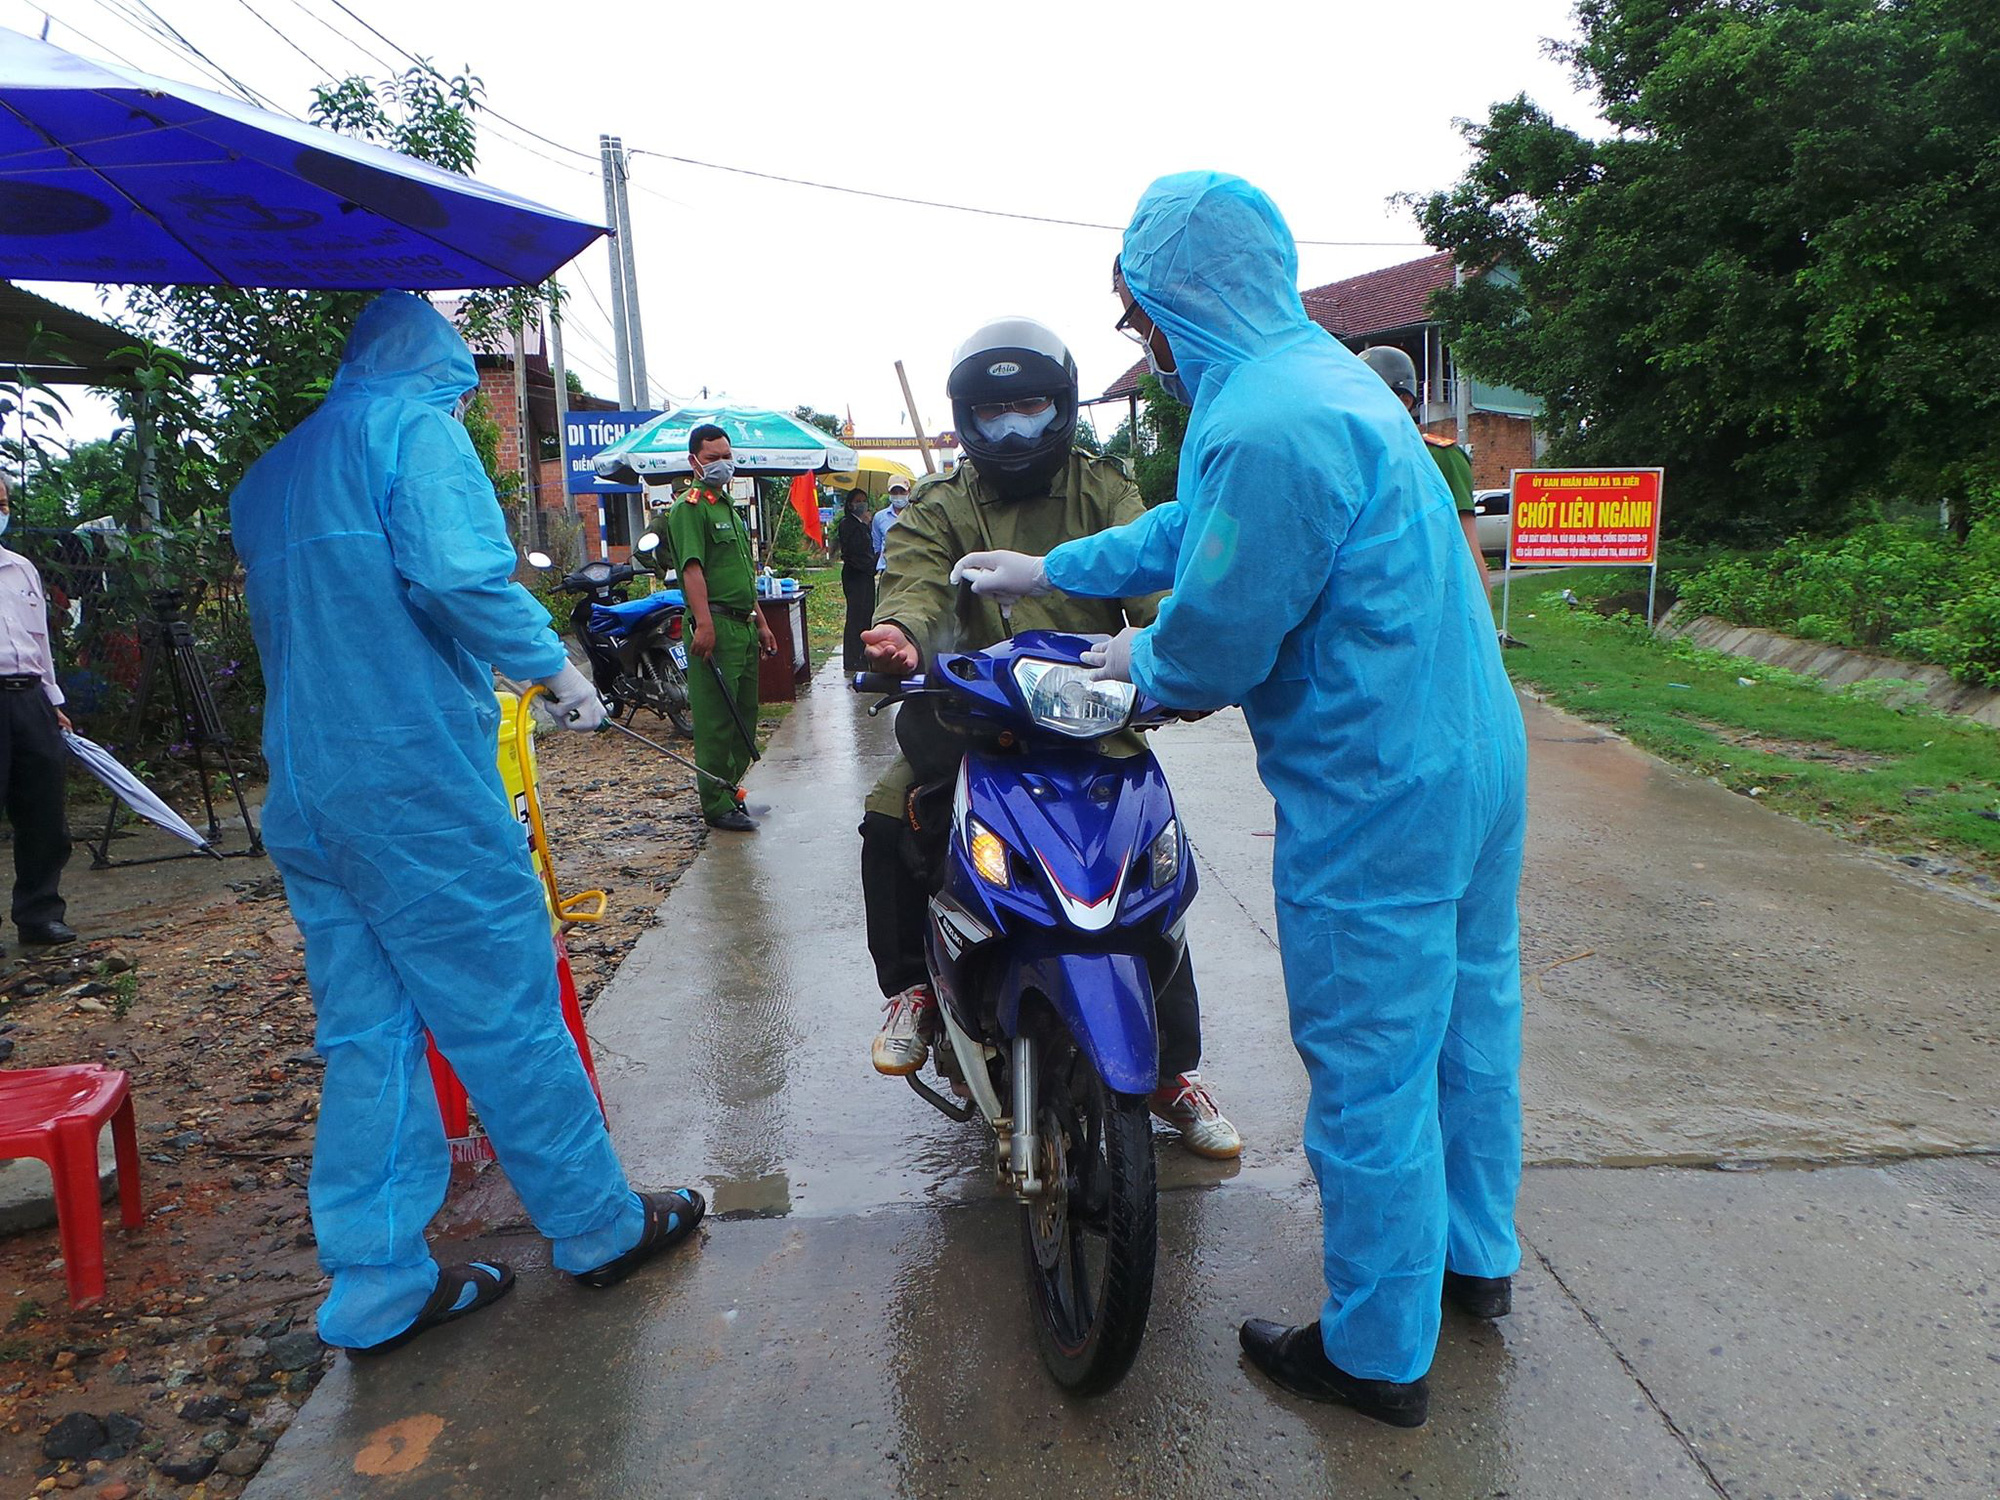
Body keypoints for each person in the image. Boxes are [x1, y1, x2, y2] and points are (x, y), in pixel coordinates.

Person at [952, 175, 1527, 1427]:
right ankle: (1472, 1261)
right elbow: (1191, 532)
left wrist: (1125, 665)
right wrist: (1051, 566)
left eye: (1135, 314)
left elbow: (1211, 638)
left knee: (1371, 1061)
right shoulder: (1312, 383)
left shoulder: (1262, 420)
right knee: (1469, 1024)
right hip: (1473, 755)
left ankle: (1376, 1353)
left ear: (1175, 296)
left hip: (1380, 789)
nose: (1137, 341)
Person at [229, 292, 704, 1355]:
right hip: (414, 785)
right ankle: (595, 1228)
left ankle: (374, 1287)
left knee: (368, 1032)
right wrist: (553, 666)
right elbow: (454, 573)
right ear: (438, 366)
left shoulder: (271, 476)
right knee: (502, 1004)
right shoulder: (413, 434)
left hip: (309, 788)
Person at [859, 316, 1240, 1159]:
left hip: (1095, 730)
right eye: (994, 413)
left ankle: (1172, 1069)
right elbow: (915, 584)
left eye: (1030, 407)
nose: (1013, 427)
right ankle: (915, 989)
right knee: (893, 816)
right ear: (966, 420)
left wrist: (1175, 654)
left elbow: (1155, 586)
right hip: (974, 724)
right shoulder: (938, 504)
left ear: (1062, 407)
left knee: (1153, 879)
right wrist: (902, 638)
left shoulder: (1103, 489)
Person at [642, 423, 778, 833]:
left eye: (726, 456)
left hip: (742, 623)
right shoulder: (690, 507)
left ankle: (731, 790)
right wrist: (702, 622)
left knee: (743, 715)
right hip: (713, 622)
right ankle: (715, 804)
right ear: (694, 461)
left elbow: (741, 573)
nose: (723, 464)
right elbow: (692, 569)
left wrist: (764, 623)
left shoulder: (728, 510)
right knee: (717, 717)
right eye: (713, 457)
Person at [0, 475, 77, 952]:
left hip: (28, 698)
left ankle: (39, 913)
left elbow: (40, 641)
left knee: (43, 811)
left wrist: (53, 701)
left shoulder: (21, 569)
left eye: (2, 502)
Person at [1357, 345, 1488, 586]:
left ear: (1404, 400)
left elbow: (1467, 547)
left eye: (1368, 392)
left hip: (1425, 596)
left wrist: (1483, 621)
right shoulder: (1353, 458)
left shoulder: (1439, 456)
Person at [837, 489, 876, 674]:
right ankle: (852, 659)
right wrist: (870, 564)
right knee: (855, 617)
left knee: (865, 615)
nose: (861, 504)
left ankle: (862, 655)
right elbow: (854, 552)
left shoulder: (863, 523)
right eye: (857, 500)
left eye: (864, 500)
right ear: (850, 504)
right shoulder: (848, 524)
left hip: (866, 575)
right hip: (855, 575)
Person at [871, 480, 909, 573]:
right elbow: (877, 545)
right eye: (894, 492)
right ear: (889, 493)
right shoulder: (879, 517)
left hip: (910, 569)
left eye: (902, 492)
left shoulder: (916, 514)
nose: (898, 495)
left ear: (909, 492)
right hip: (887, 569)